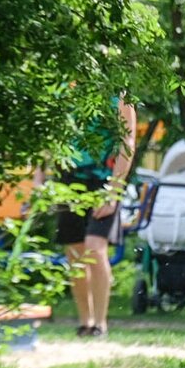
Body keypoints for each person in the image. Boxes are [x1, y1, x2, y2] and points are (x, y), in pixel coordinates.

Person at [56, 95, 136, 337]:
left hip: (105, 180)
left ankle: (100, 324)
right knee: (74, 253)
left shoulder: (121, 94)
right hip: (70, 179)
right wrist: (40, 178)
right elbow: (51, 135)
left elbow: (128, 140)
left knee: (94, 247)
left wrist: (114, 191)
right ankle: (86, 322)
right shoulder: (64, 83)